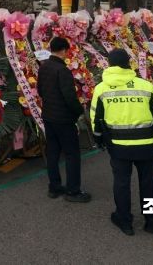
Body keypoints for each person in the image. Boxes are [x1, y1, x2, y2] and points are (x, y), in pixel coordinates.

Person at [91, 48, 153, 236]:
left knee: (121, 183)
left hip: (118, 148)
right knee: (149, 182)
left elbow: (96, 119)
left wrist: (99, 139)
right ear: (129, 63)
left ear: (109, 65)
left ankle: (124, 220)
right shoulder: (145, 86)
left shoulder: (101, 89)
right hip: (147, 145)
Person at [36, 37, 91, 203]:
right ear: (63, 50)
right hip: (64, 119)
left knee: (52, 152)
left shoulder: (44, 67)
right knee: (72, 154)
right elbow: (69, 96)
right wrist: (78, 111)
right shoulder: (63, 70)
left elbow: (39, 90)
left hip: (48, 116)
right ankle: (73, 191)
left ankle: (55, 187)